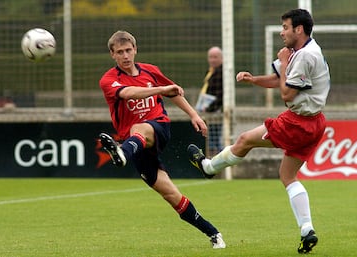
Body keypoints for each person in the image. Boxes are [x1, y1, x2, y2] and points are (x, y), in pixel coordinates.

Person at [188, 9, 330, 254]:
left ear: (299, 29)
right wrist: (253, 80)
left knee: (244, 140)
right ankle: (307, 229)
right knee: (287, 176)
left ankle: (209, 168)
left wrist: (284, 62)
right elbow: (279, 80)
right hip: (313, 122)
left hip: (297, 122)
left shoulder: (305, 55)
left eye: (285, 27)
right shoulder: (299, 52)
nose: (281, 32)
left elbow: (287, 93)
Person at [98, 30, 226, 249]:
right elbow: (129, 93)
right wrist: (161, 89)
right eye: (120, 52)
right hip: (136, 144)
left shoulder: (150, 71)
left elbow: (174, 92)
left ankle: (121, 153)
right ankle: (213, 233)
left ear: (135, 49)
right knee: (170, 194)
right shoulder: (109, 80)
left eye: (128, 50)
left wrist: (194, 115)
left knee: (140, 128)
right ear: (112, 55)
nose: (126, 56)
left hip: (158, 127)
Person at [196, 46, 223, 154]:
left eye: (215, 57)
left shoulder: (222, 72)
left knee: (213, 139)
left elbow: (221, 94)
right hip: (207, 108)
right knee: (210, 138)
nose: (212, 60)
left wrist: (210, 107)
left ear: (221, 58)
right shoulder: (210, 71)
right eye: (210, 57)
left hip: (216, 109)